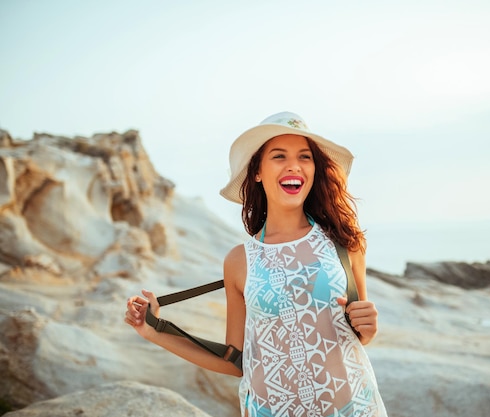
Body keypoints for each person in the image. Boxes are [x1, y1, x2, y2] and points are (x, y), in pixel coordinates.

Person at [125, 111, 388, 417]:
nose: (294, 165)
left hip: (352, 408)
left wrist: (368, 328)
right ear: (257, 172)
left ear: (314, 170)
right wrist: (153, 331)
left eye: (305, 156)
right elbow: (234, 361)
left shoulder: (344, 243)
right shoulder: (240, 260)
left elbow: (361, 333)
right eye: (279, 156)